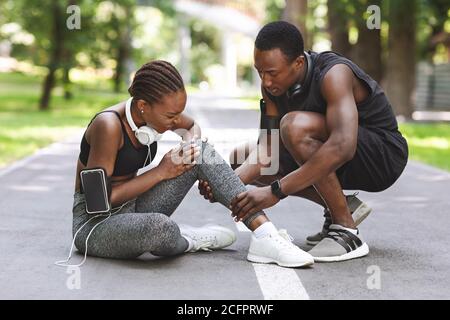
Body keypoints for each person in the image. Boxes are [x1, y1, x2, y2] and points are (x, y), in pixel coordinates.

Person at [64, 60, 314, 268]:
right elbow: (98, 204)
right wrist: (161, 172)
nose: (175, 122)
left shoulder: (159, 111)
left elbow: (191, 127)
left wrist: (189, 149)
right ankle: (188, 240)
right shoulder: (107, 126)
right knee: (159, 228)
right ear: (142, 107)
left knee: (202, 151)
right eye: (170, 117)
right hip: (96, 225)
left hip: (134, 206)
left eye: (178, 113)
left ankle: (264, 234)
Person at [200, 21, 408, 262]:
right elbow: (267, 151)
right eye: (260, 72)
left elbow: (343, 147)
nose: (265, 81)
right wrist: (227, 184)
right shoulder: (272, 88)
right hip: (333, 153)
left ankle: (346, 229)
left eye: (272, 73)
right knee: (239, 157)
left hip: (380, 157)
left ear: (298, 63)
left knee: (293, 126)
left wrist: (275, 192)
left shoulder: (334, 75)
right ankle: (342, 206)